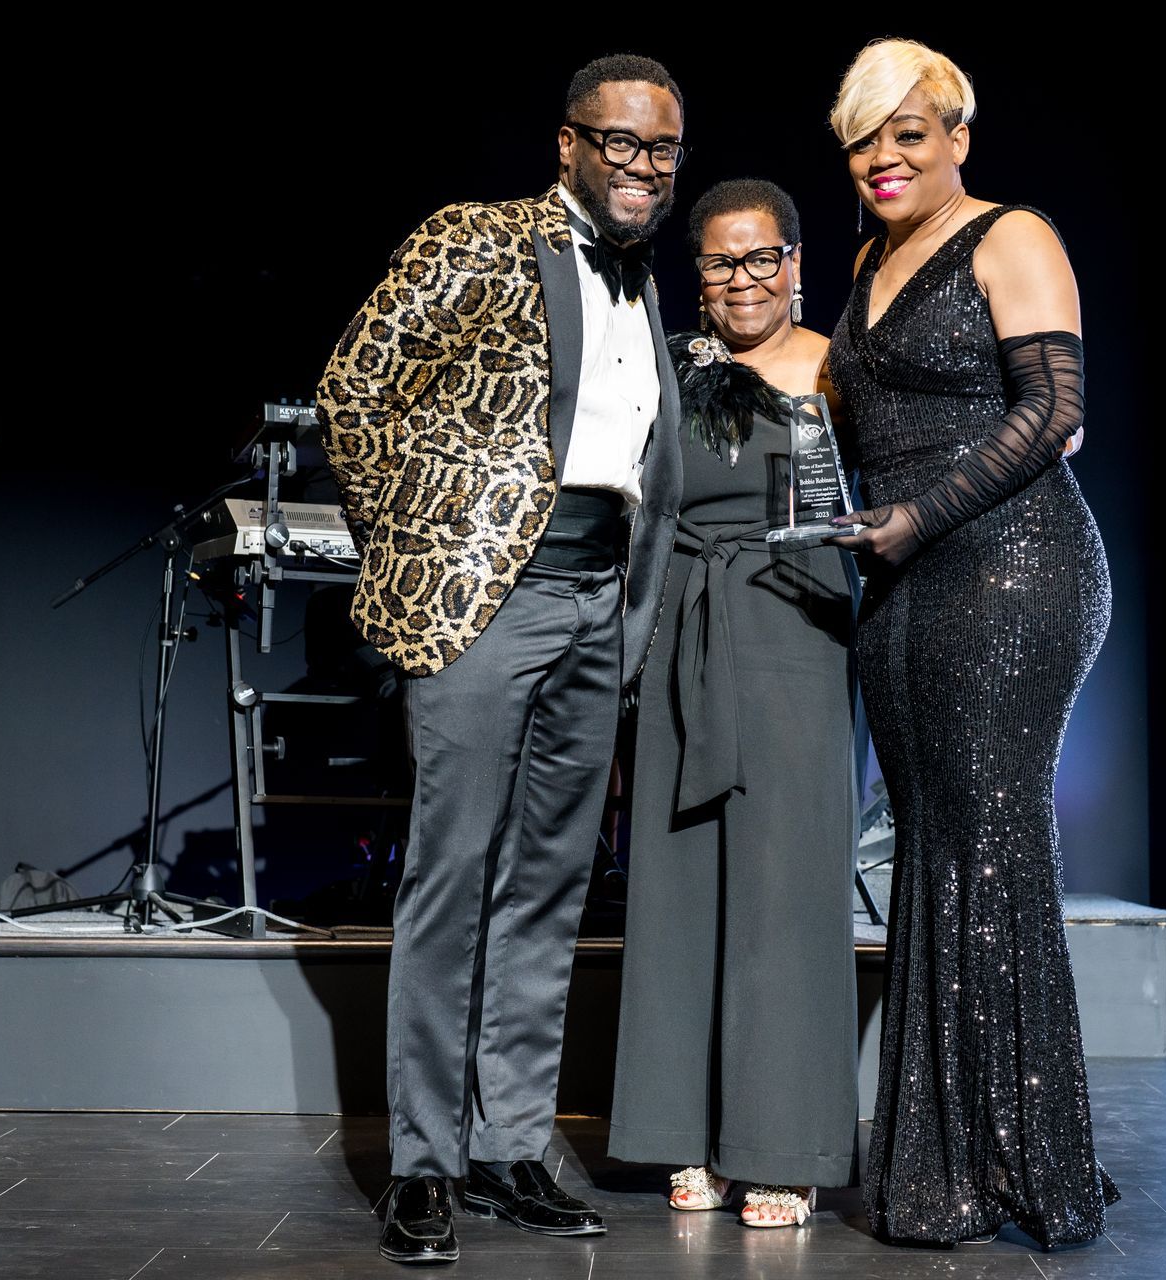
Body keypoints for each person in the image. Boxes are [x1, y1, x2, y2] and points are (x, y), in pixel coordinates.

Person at [317, 54, 686, 1267]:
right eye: (621, 142)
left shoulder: (645, 281)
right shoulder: (474, 236)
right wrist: (426, 547)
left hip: (599, 600)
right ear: (568, 143)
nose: (643, 166)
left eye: (661, 148)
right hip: (488, 602)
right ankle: (423, 1161)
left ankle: (510, 1142)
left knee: (549, 886)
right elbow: (355, 394)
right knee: (452, 876)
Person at [821, 38, 1118, 1250]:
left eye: (908, 133)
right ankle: (947, 1154)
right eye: (862, 138)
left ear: (958, 138)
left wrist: (917, 517)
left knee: (991, 844)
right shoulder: (864, 261)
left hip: (1012, 566)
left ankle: (1022, 1158)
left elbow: (1055, 411)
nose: (883, 158)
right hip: (901, 577)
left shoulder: (1009, 236)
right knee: (932, 852)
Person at [608, 179, 858, 1230]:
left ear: (796, 263)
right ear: (698, 274)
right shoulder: (669, 367)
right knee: (677, 883)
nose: (743, 279)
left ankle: (782, 1145)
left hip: (796, 631)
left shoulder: (841, 366)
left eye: (763, 258)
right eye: (721, 261)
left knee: (784, 890)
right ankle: (682, 1132)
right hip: (682, 628)